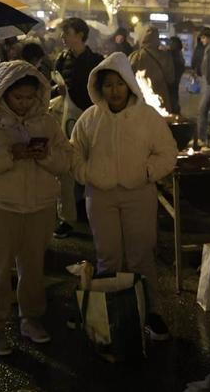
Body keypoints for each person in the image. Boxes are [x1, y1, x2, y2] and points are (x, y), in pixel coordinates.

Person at [0, 61, 71, 357]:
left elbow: (65, 159)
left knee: (33, 268)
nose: (23, 103)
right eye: (17, 97)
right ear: (2, 93)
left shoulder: (46, 122)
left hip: (40, 207)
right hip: (0, 207)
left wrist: (45, 156)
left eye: (28, 97)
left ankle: (30, 319)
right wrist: (9, 154)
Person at [70, 52, 178, 337]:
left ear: (129, 84)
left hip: (138, 194)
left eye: (119, 84)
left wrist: (146, 173)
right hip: (100, 196)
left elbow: (167, 153)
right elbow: (74, 151)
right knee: (108, 258)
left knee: (141, 256)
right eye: (108, 85)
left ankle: (152, 312)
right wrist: (86, 174)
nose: (114, 91)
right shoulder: (90, 118)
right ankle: (112, 315)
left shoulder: (147, 117)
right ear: (99, 87)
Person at [53, 18, 104, 238]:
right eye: (63, 33)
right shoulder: (61, 59)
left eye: (67, 32)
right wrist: (58, 90)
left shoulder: (96, 61)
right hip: (66, 119)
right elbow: (56, 85)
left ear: (81, 35)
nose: (63, 37)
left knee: (93, 165)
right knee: (65, 168)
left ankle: (95, 213)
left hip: (91, 120)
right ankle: (67, 217)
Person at [130, 26, 176, 110]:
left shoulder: (137, 56)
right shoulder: (165, 55)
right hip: (161, 96)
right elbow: (171, 78)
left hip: (141, 96)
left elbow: (128, 77)